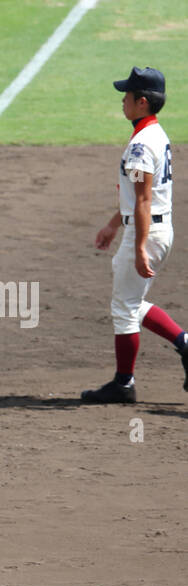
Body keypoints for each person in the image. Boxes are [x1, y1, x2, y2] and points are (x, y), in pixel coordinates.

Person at [83, 67, 183, 403]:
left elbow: (142, 199)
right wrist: (115, 224)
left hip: (147, 230)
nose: (122, 102)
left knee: (124, 307)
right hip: (157, 226)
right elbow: (140, 198)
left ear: (142, 102)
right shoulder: (156, 134)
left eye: (127, 97)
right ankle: (185, 344)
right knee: (132, 301)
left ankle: (123, 384)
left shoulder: (141, 145)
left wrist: (139, 246)